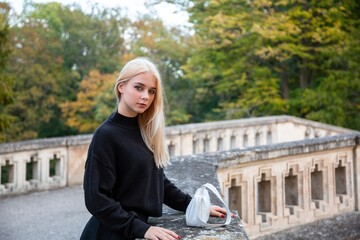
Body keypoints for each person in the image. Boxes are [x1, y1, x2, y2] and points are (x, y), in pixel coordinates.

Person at [80, 57, 229, 240]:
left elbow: (157, 182)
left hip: (129, 230)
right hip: (108, 233)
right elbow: (96, 199)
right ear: (121, 87)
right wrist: (142, 229)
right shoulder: (106, 135)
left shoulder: (145, 130)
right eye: (138, 87)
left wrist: (193, 205)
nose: (145, 96)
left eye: (151, 91)